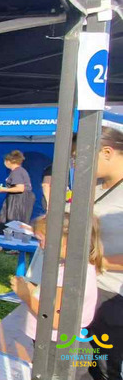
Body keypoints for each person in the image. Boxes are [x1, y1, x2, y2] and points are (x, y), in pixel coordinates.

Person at [13, 213, 102, 344]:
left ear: (65, 241)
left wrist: (26, 295)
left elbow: (56, 319)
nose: (40, 246)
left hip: (54, 343)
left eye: (42, 240)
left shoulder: (70, 273)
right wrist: (33, 290)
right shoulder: (72, 267)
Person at [86, 127, 123, 380]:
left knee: (106, 368)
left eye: (86, 155)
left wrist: (97, 262)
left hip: (112, 297)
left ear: (107, 152)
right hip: (89, 290)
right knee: (82, 363)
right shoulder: (97, 188)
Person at [0, 150, 35, 225]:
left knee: (13, 222)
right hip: (22, 199)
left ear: (8, 161)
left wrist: (3, 189)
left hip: (18, 200)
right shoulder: (20, 171)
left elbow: (20, 188)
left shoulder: (16, 172)